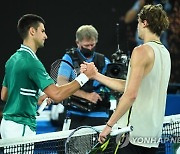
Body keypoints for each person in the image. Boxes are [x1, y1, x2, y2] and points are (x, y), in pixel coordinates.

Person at [82, 4, 171, 154]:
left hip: (131, 135)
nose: (137, 27)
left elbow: (130, 94)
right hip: (152, 138)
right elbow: (130, 86)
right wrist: (96, 75)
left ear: (145, 23)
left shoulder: (141, 51)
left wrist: (109, 125)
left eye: (138, 22)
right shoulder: (165, 54)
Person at [0, 14, 96, 139]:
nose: (46, 36)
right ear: (32, 31)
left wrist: (37, 97)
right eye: (43, 31)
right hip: (21, 127)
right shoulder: (32, 62)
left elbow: (5, 95)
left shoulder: (13, 59)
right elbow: (57, 95)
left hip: (7, 125)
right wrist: (84, 77)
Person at [56, 25, 111, 129]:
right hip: (75, 115)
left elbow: (112, 83)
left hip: (100, 115)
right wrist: (86, 95)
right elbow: (61, 83)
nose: (90, 48)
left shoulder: (104, 61)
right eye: (86, 45)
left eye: (92, 44)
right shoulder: (69, 58)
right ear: (78, 43)